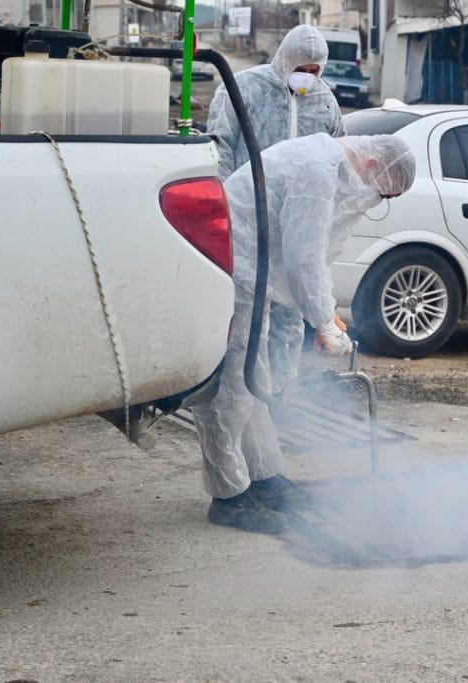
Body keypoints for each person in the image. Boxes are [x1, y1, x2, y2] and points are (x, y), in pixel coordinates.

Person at [188, 133, 416, 534]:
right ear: (372, 166)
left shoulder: (334, 168)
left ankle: (265, 478)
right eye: (383, 193)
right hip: (233, 271)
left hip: (249, 274)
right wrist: (324, 322)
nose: (377, 201)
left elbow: (322, 251)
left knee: (252, 383)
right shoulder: (317, 170)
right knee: (231, 390)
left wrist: (322, 317)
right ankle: (228, 497)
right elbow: (303, 256)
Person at [205, 24, 346, 392]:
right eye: (301, 67)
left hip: (294, 226)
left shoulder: (326, 102)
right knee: (249, 317)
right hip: (248, 223)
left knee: (289, 317)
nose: (307, 76)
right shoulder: (244, 89)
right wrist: (223, 209)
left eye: (315, 70)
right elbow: (219, 148)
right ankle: (243, 393)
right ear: (284, 58)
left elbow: (337, 159)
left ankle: (280, 397)